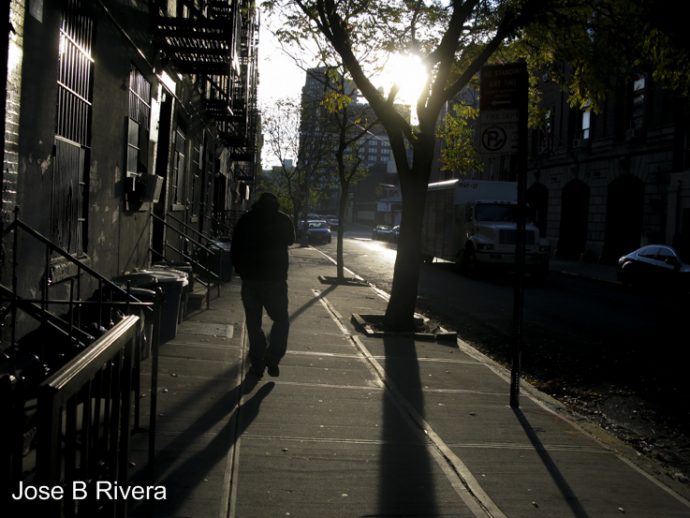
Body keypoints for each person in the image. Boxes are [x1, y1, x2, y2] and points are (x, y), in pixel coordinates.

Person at [231, 192, 296, 377]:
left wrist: (239, 269)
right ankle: (273, 357)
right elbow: (291, 240)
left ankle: (257, 362)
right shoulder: (283, 220)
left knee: (253, 322)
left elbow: (235, 246)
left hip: (251, 279)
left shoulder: (246, 219)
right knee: (281, 319)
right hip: (275, 280)